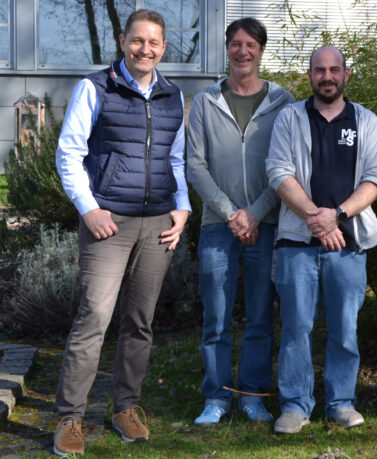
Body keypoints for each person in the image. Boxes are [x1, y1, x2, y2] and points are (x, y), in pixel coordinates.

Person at [52, 9, 190, 456]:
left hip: (158, 225)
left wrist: (183, 209)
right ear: (122, 41)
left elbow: (177, 161)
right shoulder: (95, 88)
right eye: (137, 41)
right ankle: (70, 418)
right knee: (93, 317)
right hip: (108, 224)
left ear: (164, 47)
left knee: (140, 321)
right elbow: (68, 155)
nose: (145, 49)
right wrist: (90, 210)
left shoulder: (173, 96)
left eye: (153, 42)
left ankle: (124, 408)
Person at [265, 45, 377, 434]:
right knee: (296, 326)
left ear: (346, 74)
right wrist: (316, 219)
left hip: (349, 243)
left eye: (334, 69)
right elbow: (278, 172)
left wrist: (335, 216)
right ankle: (295, 405)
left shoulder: (366, 121)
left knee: (344, 328)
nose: (327, 77)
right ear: (310, 76)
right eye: (320, 70)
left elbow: (376, 179)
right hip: (296, 243)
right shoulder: (290, 117)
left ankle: (341, 402)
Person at [186, 17, 294, 425]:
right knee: (215, 316)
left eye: (251, 44)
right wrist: (233, 214)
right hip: (218, 226)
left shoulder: (283, 102)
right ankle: (216, 397)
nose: (242, 51)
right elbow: (195, 165)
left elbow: (288, 167)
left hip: (265, 226)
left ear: (261, 51)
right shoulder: (204, 102)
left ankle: (251, 395)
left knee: (261, 317)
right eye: (236, 44)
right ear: (227, 49)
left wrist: (256, 213)